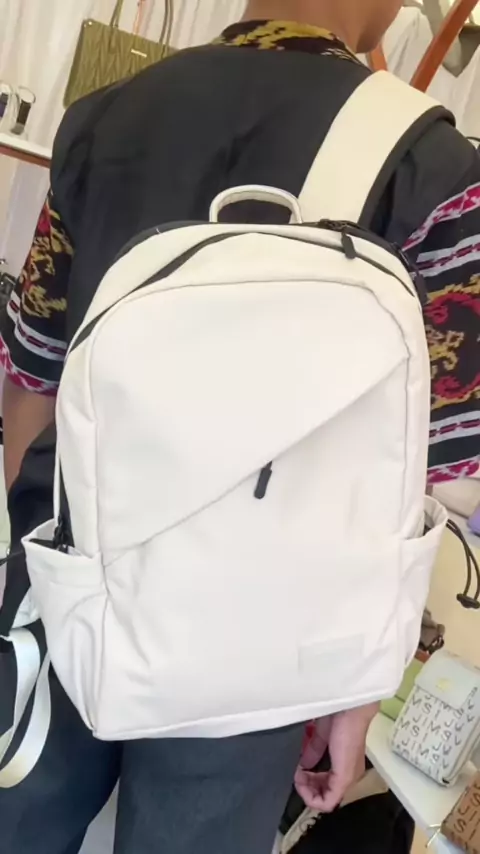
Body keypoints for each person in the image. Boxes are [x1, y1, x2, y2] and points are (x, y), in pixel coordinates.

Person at [0, 1, 479, 852]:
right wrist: (353, 687)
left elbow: (32, 376)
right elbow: (427, 472)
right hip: (261, 636)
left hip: (67, 576)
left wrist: (30, 562)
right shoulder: (432, 169)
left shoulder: (107, 118)